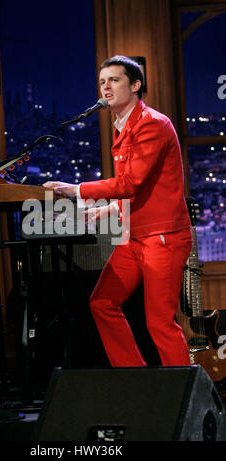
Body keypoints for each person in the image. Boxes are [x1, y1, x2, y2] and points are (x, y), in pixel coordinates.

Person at [43, 55, 192, 367]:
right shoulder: (124, 126)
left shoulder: (152, 124)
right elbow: (144, 186)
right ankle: (135, 378)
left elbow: (129, 182)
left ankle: (184, 395)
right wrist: (109, 210)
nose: (105, 87)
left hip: (162, 238)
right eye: (101, 81)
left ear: (135, 85)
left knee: (160, 323)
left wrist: (76, 189)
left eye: (114, 80)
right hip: (135, 238)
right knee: (102, 302)